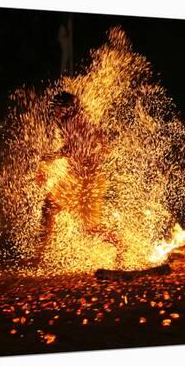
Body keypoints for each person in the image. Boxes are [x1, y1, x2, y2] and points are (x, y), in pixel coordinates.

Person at [36, 91, 122, 264]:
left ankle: (121, 246)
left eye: (58, 109)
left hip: (84, 180)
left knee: (86, 226)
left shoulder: (73, 122)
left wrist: (53, 156)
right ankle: (38, 255)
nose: (55, 113)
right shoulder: (79, 121)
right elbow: (102, 142)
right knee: (51, 209)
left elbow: (76, 149)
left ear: (67, 108)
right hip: (83, 178)